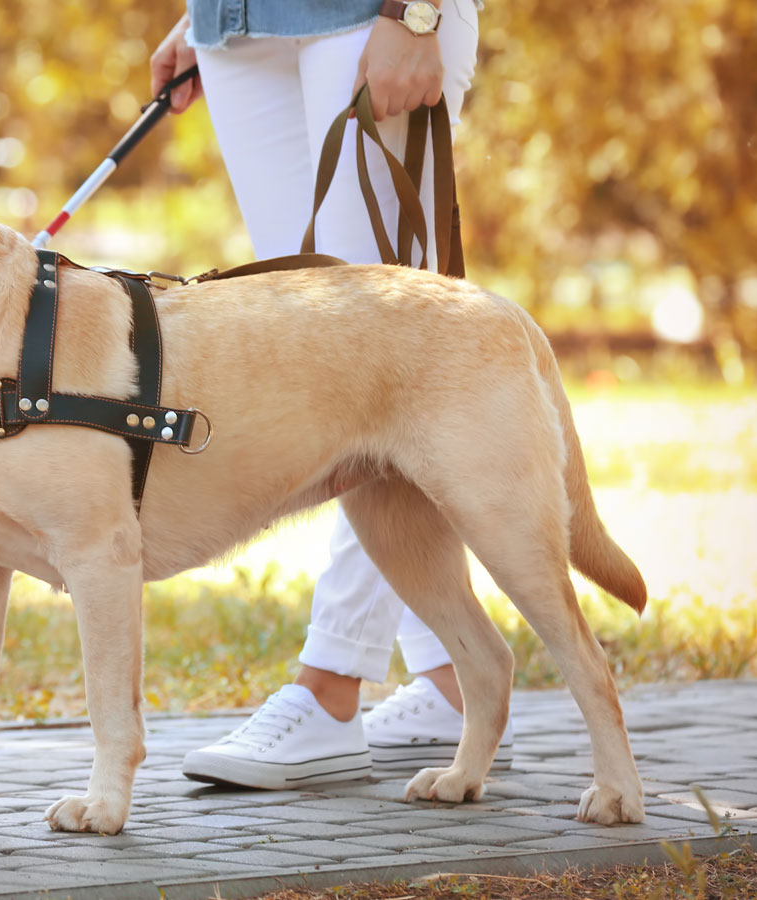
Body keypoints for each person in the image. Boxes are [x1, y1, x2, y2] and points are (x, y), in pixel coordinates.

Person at [150, 0, 513, 790]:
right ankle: (455, 682)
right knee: (313, 358)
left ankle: (332, 682)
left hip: (368, 16)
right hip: (242, 28)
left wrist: (416, 13)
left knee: (382, 361)